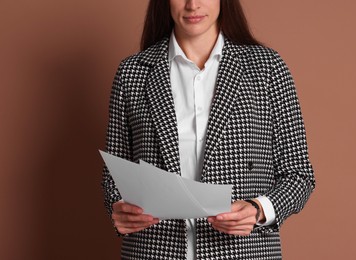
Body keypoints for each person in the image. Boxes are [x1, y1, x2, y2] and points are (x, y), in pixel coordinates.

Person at [102, 0, 315, 259]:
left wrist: (258, 209)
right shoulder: (133, 73)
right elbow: (114, 175)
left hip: (241, 252)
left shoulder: (267, 69)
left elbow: (299, 174)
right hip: (154, 250)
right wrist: (119, 210)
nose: (193, 4)